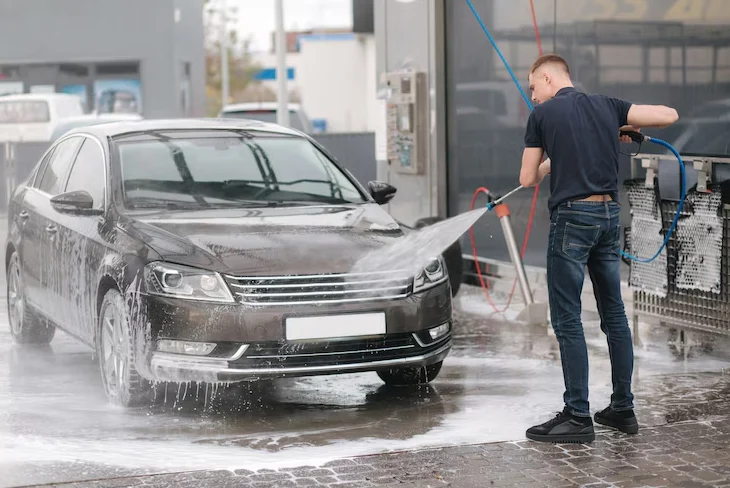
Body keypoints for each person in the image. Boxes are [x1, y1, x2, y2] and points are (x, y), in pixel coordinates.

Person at [519, 54, 679, 444]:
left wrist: (546, 166)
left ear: (547, 76)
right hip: (609, 217)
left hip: (572, 221)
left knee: (568, 319)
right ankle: (622, 409)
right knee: (614, 314)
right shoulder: (608, 106)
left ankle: (577, 416)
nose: (533, 96)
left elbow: (526, 179)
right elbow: (669, 115)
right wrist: (619, 123)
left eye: (533, 87)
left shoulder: (541, 116)